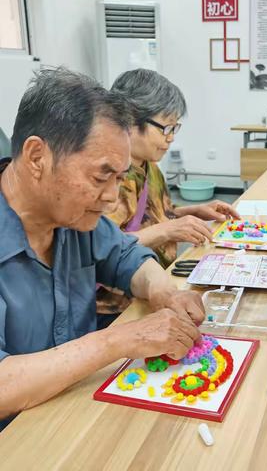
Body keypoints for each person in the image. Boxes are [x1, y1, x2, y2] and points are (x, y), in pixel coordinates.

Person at [0, 68, 205, 432]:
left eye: (120, 179)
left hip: (77, 413)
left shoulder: (74, 217)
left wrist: (164, 291)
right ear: (36, 158)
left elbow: (126, 256)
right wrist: (117, 341)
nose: (111, 196)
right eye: (100, 177)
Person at [96, 69, 239, 321]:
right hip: (118, 307)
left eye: (174, 128)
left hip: (155, 286)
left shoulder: (149, 166)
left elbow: (154, 216)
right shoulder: (109, 178)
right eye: (164, 128)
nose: (171, 138)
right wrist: (169, 230)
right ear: (129, 121)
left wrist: (190, 212)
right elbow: (104, 250)